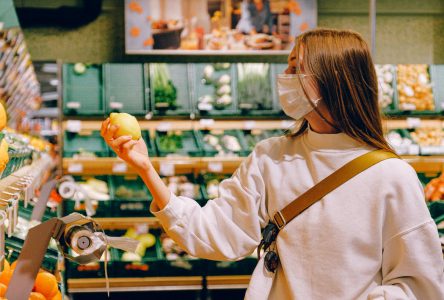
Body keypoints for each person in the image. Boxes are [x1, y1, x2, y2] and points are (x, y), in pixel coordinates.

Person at [101, 28, 444, 299]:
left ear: (333, 79)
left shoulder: (391, 176)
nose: (284, 75)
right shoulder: (271, 158)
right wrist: (146, 169)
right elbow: (216, 233)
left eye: (296, 68)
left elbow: (419, 283)